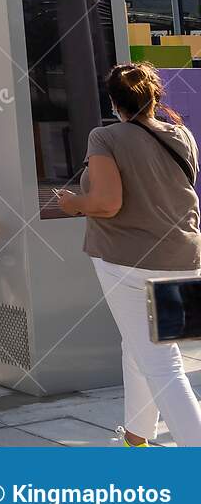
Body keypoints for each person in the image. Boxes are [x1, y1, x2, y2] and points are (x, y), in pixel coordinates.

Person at [55, 63, 201, 447]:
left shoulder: (105, 137)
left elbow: (106, 202)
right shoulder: (181, 134)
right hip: (183, 257)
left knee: (163, 364)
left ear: (113, 101)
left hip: (129, 260)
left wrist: (73, 204)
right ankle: (136, 441)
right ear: (154, 96)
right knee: (138, 347)